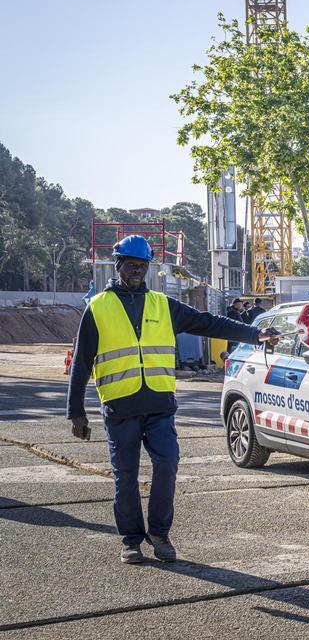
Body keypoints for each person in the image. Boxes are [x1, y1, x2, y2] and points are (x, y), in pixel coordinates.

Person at [66, 235, 278, 565]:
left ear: (148, 268)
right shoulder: (98, 308)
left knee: (167, 465)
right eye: (131, 265)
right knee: (125, 477)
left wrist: (254, 334)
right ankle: (131, 540)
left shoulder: (164, 306)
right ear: (118, 265)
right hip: (120, 408)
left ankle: (160, 534)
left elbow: (208, 322)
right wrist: (76, 411)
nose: (137, 270)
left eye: (142, 266)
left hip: (160, 407)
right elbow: (81, 362)